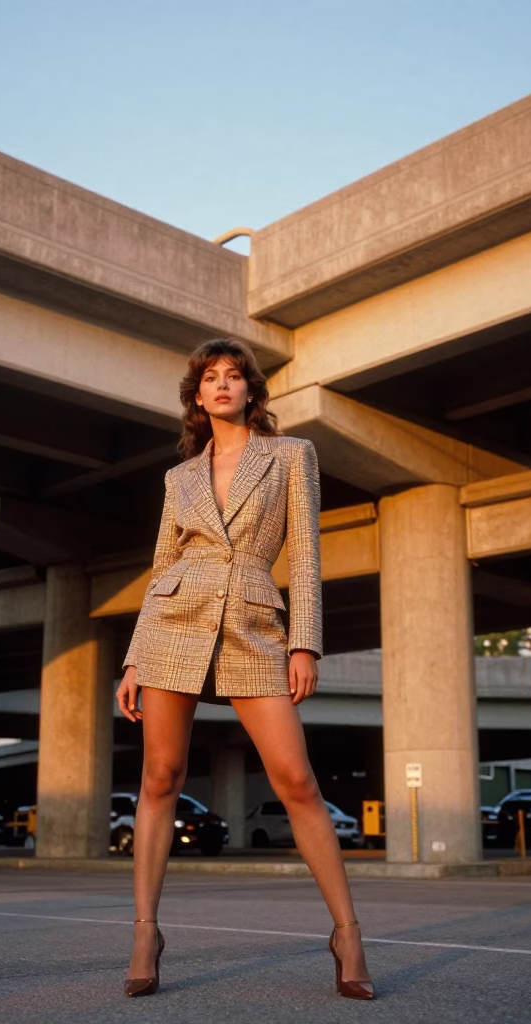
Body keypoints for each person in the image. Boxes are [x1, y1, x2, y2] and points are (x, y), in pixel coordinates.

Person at [116, 337, 374, 1000]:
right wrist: (134, 658)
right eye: (211, 378)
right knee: (159, 777)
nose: (223, 385)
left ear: (251, 390)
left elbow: (309, 558)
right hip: (174, 624)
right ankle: (145, 932)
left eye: (234, 375)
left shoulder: (292, 456)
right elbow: (161, 569)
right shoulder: (178, 478)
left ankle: (347, 935)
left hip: (255, 625)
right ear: (197, 397)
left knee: (297, 781)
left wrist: (304, 643)